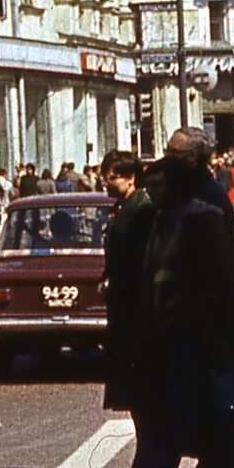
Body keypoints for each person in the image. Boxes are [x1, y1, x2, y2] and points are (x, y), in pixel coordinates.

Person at [118, 141, 234, 468]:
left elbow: (221, 279)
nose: (151, 192)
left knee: (190, 410)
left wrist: (212, 328)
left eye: (159, 185)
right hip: (173, 330)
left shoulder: (200, 217)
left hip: (200, 331)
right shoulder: (162, 219)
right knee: (191, 410)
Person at [100, 152, 152, 419]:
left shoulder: (141, 208)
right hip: (122, 307)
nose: (106, 184)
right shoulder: (123, 207)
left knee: (140, 387)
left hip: (135, 310)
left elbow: (140, 261)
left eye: (112, 178)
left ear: (130, 178)